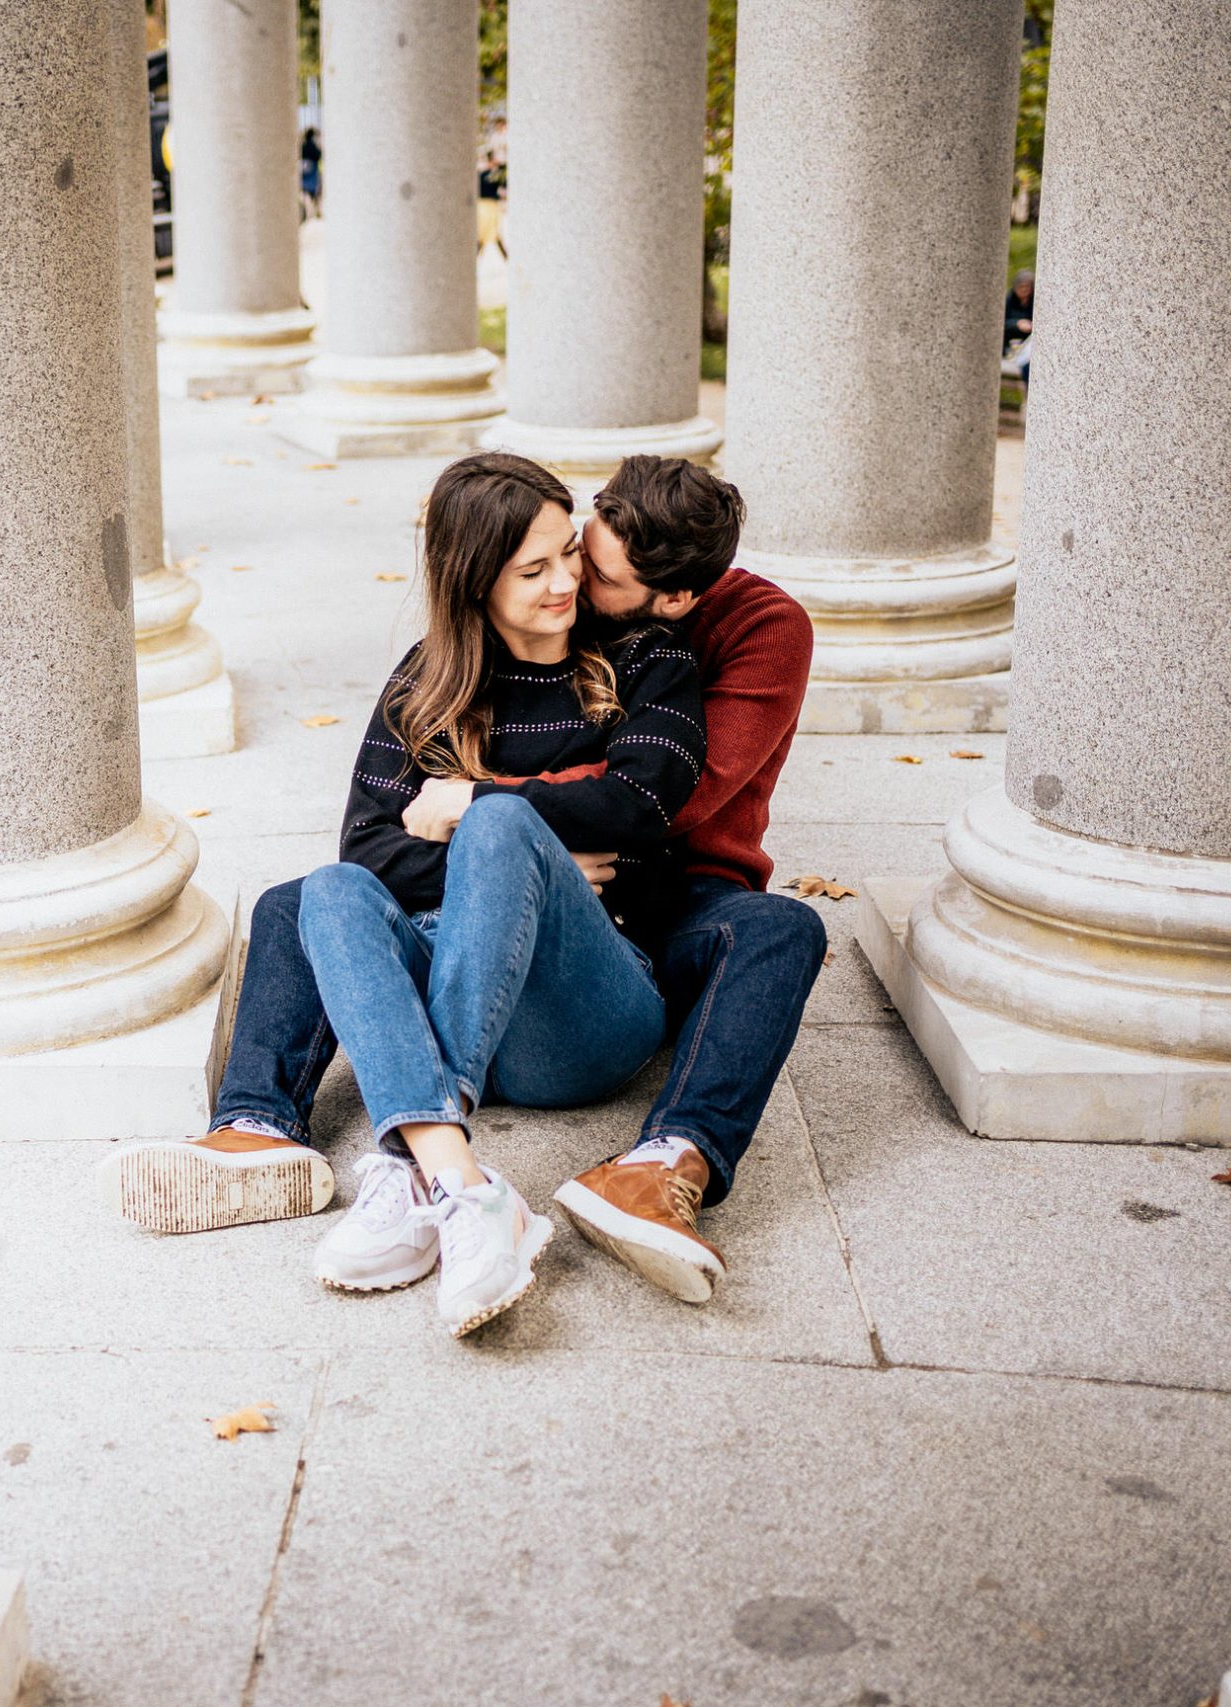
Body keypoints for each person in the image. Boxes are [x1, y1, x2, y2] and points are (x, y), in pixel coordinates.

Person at [100, 453, 824, 1324]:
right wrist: (511, 862)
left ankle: (618, 1159)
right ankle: (325, 1146)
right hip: (462, 959)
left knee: (751, 917)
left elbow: (651, 803)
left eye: (578, 563)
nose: (571, 583)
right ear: (479, 578)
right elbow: (365, 846)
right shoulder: (430, 679)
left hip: (588, 997)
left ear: (666, 595)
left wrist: (484, 818)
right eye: (547, 563)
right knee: (314, 895)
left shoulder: (649, 655)